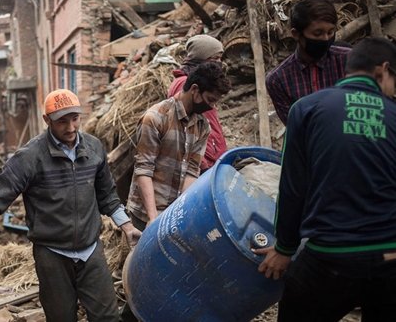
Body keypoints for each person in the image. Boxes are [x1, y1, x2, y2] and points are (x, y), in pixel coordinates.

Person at [0, 89, 142, 322]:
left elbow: (107, 196)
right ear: (47, 121)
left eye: (75, 119)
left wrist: (127, 226)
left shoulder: (94, 149)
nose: (71, 128)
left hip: (90, 250)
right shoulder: (30, 157)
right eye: (62, 121)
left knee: (108, 317)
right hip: (52, 255)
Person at [255, 37, 396, 320]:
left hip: (329, 256)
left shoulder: (307, 109)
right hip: (390, 258)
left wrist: (285, 248)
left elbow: (293, 186)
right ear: (383, 70)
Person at [128, 61, 231, 231]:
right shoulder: (155, 118)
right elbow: (143, 170)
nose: (212, 106)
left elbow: (192, 170)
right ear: (195, 90)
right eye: (210, 100)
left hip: (172, 212)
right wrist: (153, 219)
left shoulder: (202, 126)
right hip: (145, 213)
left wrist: (181, 212)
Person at [266, 0, 351, 125]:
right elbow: (295, 128)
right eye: (317, 33)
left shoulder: (349, 61)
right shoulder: (279, 80)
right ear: (296, 34)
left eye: (330, 32)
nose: (325, 38)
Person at [168, 35, 228, 172]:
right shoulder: (185, 84)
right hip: (201, 164)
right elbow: (184, 131)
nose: (219, 63)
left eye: (220, 58)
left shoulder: (201, 83)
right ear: (201, 58)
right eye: (215, 58)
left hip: (211, 161)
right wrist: (203, 164)